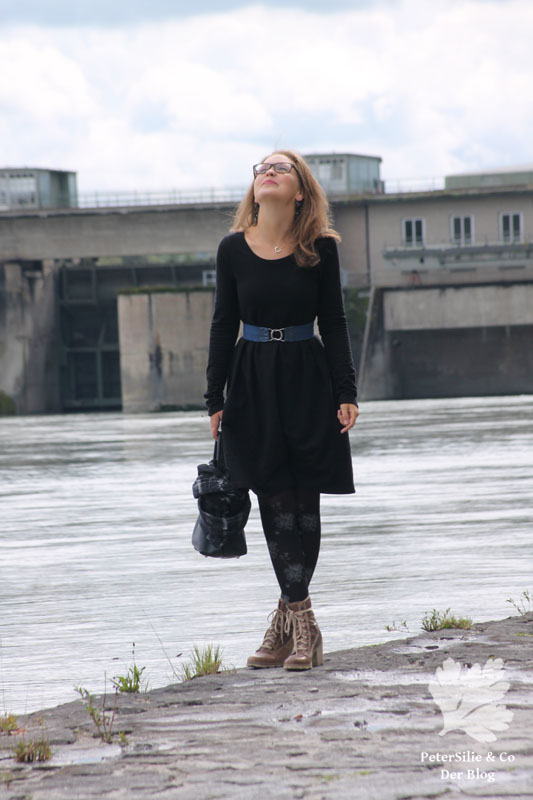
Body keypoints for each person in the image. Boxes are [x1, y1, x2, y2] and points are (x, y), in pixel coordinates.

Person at [204, 150, 359, 671]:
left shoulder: (320, 248)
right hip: (251, 380)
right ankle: (305, 625)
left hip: (308, 378)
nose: (268, 172)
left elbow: (333, 321)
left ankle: (284, 625)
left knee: (304, 504)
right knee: (273, 499)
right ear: (255, 189)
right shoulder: (232, 249)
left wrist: (346, 391)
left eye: (281, 168)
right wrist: (214, 397)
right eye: (261, 168)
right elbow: (223, 322)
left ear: (300, 191)